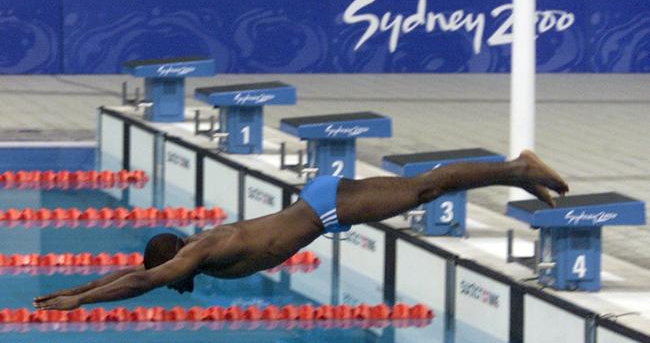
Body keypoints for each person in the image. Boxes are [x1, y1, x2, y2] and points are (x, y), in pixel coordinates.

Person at [34, 150, 568, 310]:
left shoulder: (200, 252)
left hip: (324, 207)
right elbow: (135, 273)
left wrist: (83, 305)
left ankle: (520, 169)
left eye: (172, 274)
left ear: (173, 259)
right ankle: (517, 177)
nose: (175, 283)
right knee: (422, 189)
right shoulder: (191, 248)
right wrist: (72, 290)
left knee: (424, 188)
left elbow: (142, 282)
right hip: (318, 206)